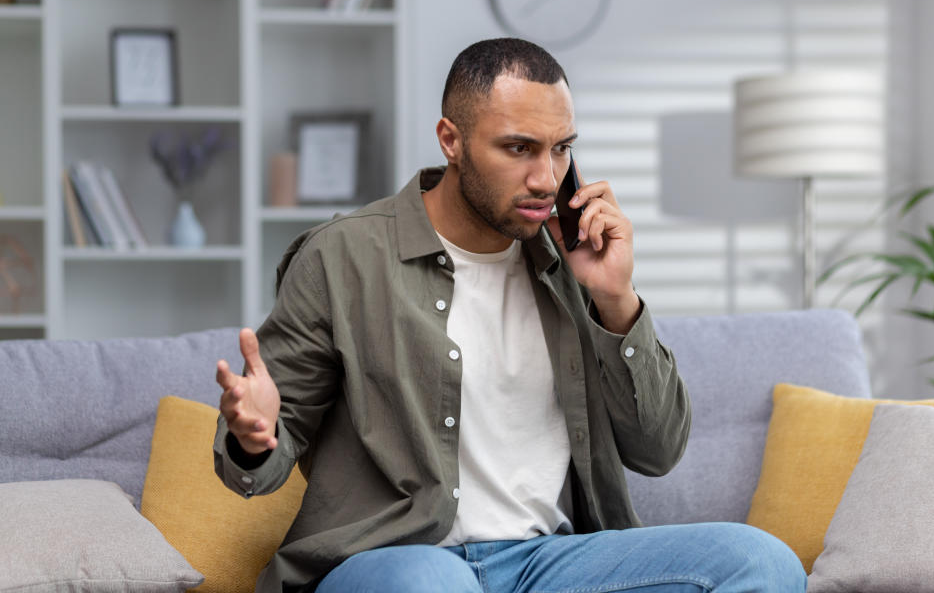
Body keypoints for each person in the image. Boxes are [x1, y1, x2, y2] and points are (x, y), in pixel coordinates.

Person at [214, 38, 806, 593]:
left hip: (547, 563)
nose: (545, 179)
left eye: (562, 149)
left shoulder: (575, 260)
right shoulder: (342, 255)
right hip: (398, 558)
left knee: (760, 562)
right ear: (451, 139)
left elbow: (658, 451)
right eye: (519, 148)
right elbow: (257, 463)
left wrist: (616, 300)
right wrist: (256, 438)